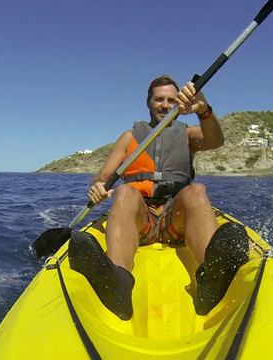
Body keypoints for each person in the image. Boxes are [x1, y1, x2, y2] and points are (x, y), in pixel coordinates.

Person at [69, 75, 250, 320]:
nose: (165, 105)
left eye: (170, 99)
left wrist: (203, 109)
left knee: (197, 191)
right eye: (158, 99)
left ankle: (211, 278)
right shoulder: (128, 137)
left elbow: (215, 141)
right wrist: (98, 188)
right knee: (124, 191)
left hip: (176, 222)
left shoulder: (187, 135)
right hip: (141, 221)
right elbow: (101, 177)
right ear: (149, 103)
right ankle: (118, 282)